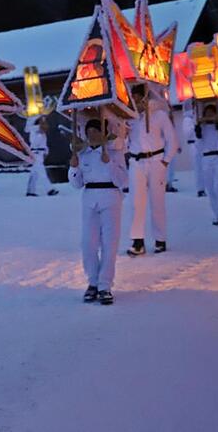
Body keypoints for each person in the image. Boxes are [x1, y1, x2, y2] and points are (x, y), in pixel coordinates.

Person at [69, 119, 127, 306]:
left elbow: (123, 181)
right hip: (89, 198)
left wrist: (109, 163)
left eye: (96, 131)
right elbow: (76, 184)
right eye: (90, 131)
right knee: (88, 243)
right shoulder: (83, 153)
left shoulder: (115, 152)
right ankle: (92, 282)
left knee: (109, 243)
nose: (92, 134)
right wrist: (73, 166)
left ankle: (104, 285)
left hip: (110, 197)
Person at [126, 85, 177, 256]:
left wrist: (165, 161)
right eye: (133, 97)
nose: (136, 101)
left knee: (157, 201)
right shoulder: (129, 117)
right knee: (135, 203)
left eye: (138, 97)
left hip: (156, 161)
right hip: (136, 162)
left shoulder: (159, 115)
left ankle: (160, 239)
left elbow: (172, 139)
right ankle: (137, 241)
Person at [26, 116, 58, 197]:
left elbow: (44, 144)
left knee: (34, 174)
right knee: (41, 172)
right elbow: (35, 142)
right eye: (42, 122)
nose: (45, 124)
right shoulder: (34, 131)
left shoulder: (41, 132)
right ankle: (49, 189)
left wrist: (46, 151)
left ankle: (30, 191)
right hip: (36, 153)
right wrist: (40, 134)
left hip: (39, 154)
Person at [182, 103, 205, 197]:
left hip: (202, 143)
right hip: (194, 144)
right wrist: (195, 126)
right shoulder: (187, 119)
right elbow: (187, 133)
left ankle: (206, 187)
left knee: (205, 167)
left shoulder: (199, 116)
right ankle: (200, 188)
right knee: (198, 167)